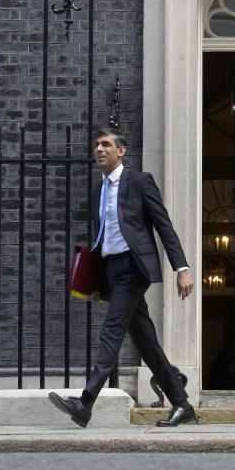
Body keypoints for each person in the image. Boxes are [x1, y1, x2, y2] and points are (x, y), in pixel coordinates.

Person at [49, 126, 197, 427]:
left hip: (134, 267)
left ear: (121, 151)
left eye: (106, 145)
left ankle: (86, 401)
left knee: (112, 330)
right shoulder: (97, 193)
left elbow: (163, 226)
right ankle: (182, 403)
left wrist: (181, 268)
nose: (99, 150)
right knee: (145, 341)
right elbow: (100, 240)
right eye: (96, 145)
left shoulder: (139, 181)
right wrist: (95, 284)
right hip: (112, 269)